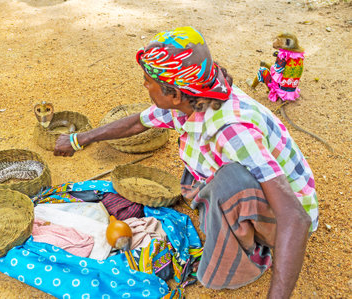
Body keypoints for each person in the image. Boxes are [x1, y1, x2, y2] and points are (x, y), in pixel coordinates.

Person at [54, 26, 318, 298]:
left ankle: (247, 260)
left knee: (229, 183)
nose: (145, 85)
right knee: (204, 169)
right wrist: (78, 140)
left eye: (148, 81)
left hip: (285, 219)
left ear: (175, 95)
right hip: (263, 195)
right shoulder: (194, 96)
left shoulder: (231, 130)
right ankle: (227, 211)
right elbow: (136, 122)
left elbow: (295, 218)